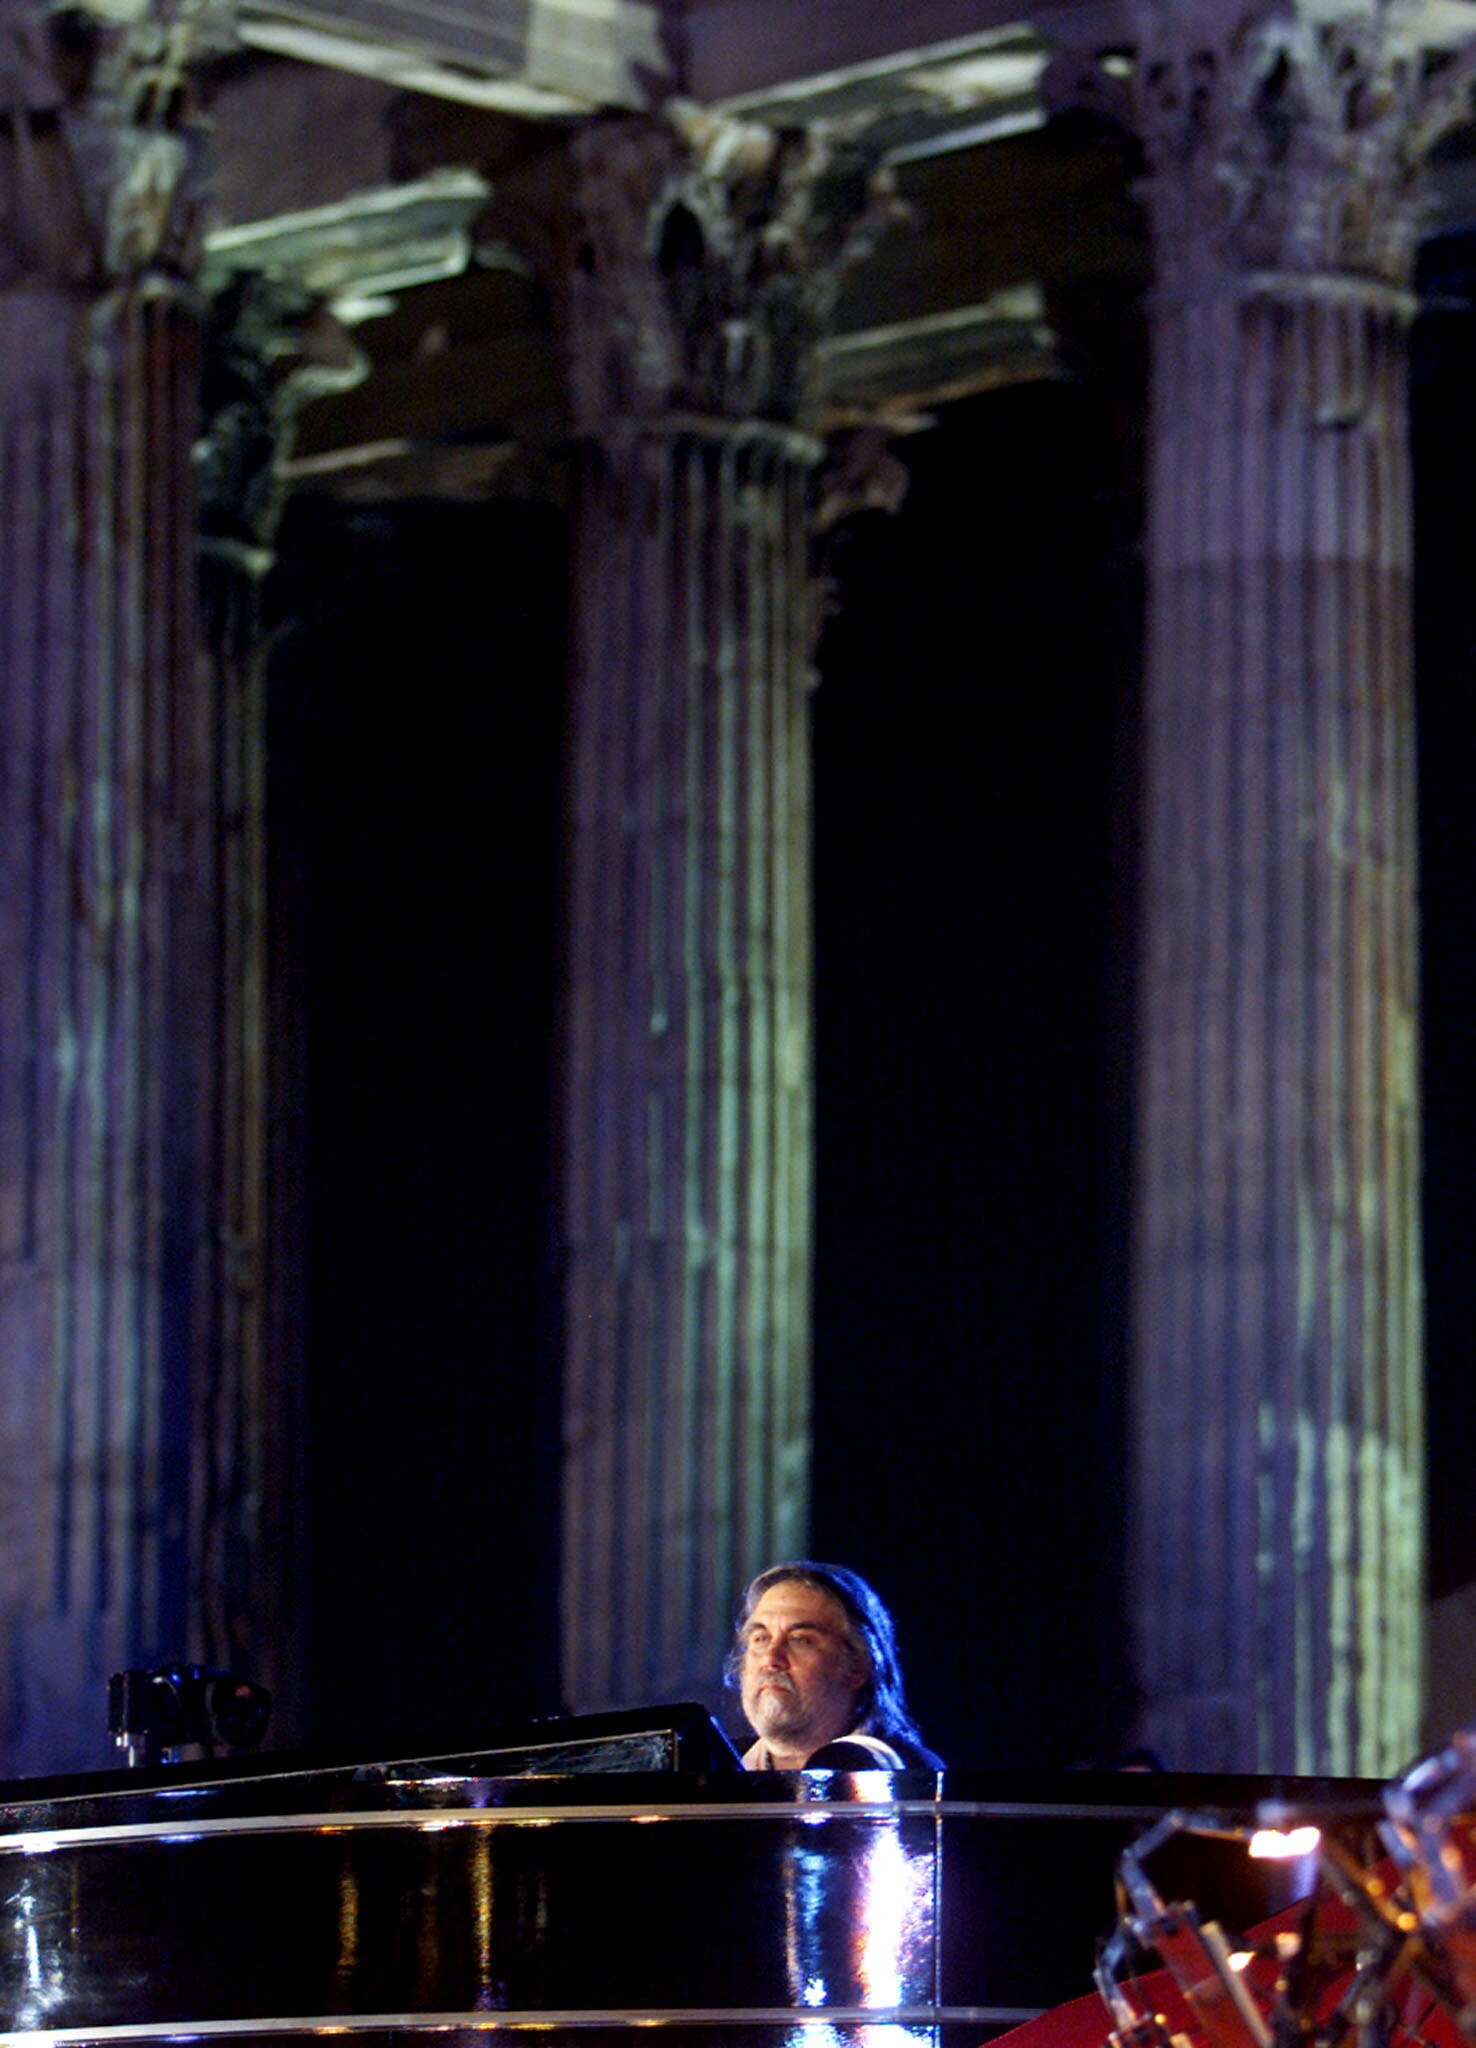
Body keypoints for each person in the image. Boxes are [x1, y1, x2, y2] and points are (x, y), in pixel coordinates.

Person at [726, 1559, 943, 1771]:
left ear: (857, 1666)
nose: (771, 1659)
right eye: (761, 1639)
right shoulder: (715, 1770)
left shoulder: (905, 1775)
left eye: (800, 1639)